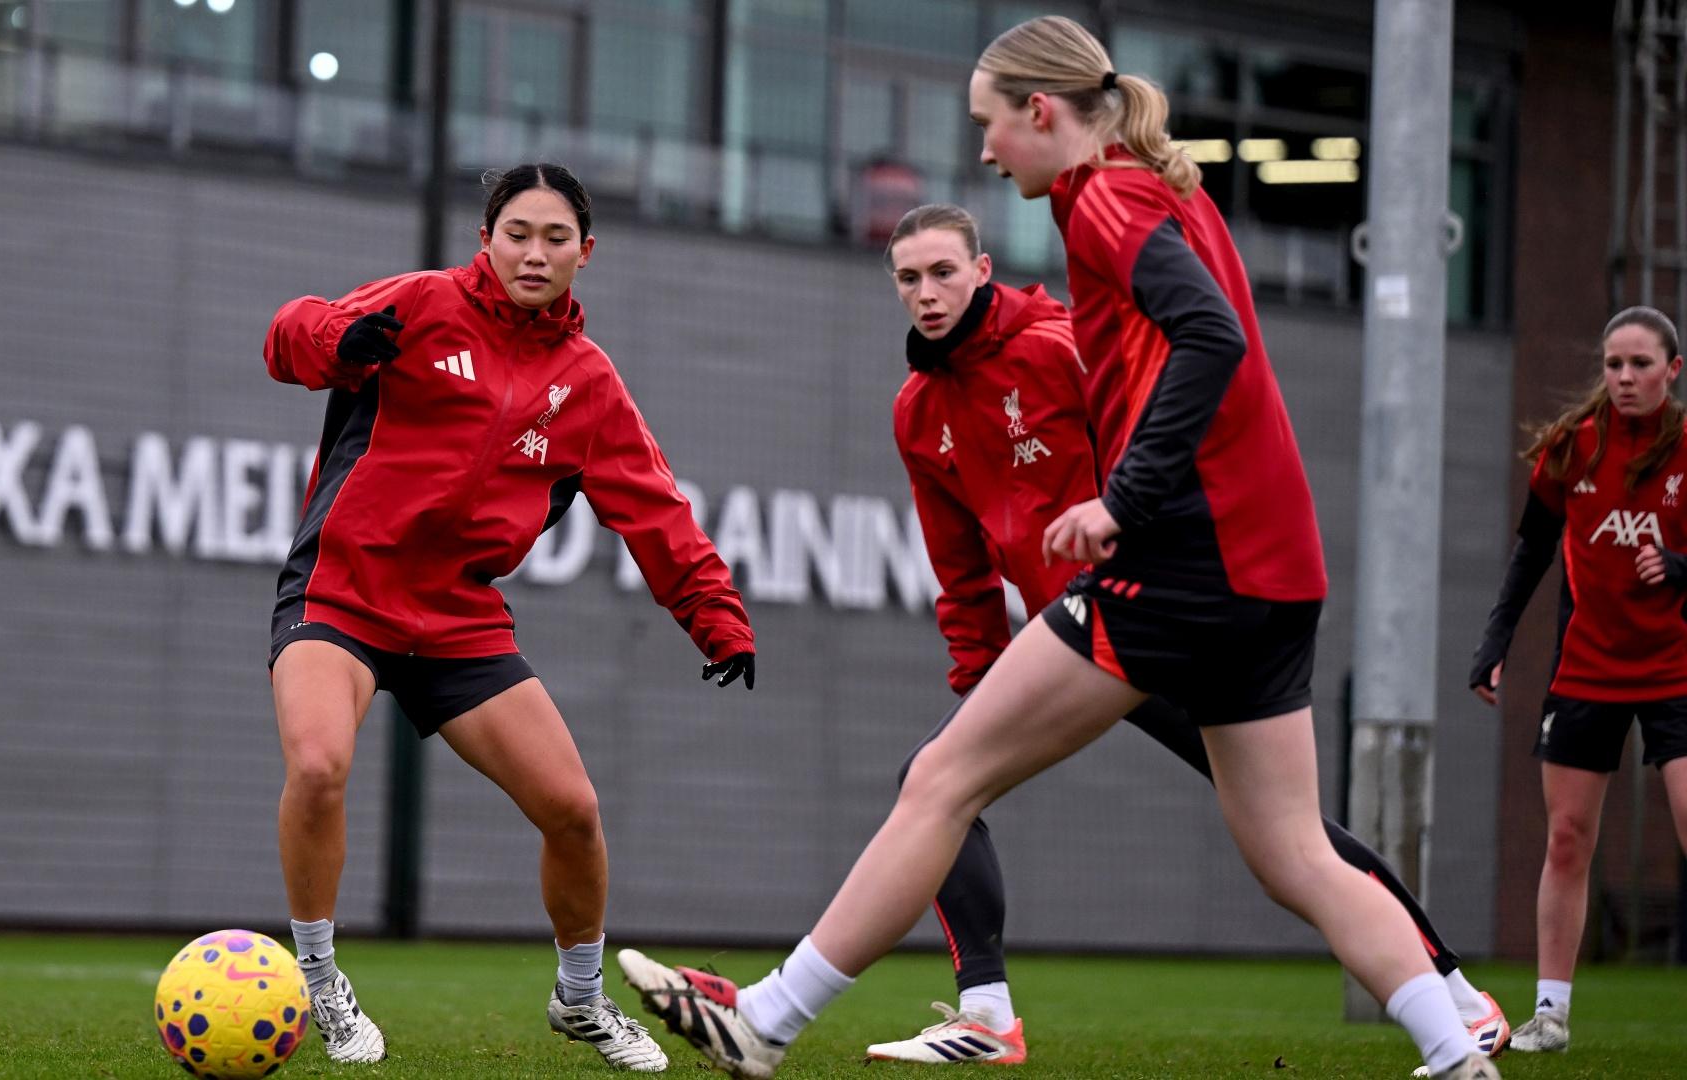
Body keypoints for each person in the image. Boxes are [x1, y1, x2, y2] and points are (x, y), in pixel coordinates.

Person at [616, 18, 1497, 1080]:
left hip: (1180, 563)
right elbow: (1206, 344)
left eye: (990, 125)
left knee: (940, 778)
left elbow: (1210, 336)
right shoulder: (1156, 192)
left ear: (1042, 113)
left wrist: (1121, 502)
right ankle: (1457, 1048)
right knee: (1291, 849)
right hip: (1269, 567)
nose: (985, 153)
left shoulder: (1103, 202)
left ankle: (767, 1021)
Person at [863, 203, 1509, 1067]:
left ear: (984, 272)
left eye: (943, 272)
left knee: (1292, 841)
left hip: (1151, 618)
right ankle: (985, 1015)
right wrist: (981, 677)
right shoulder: (916, 412)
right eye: (909, 278)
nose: (926, 293)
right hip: (1072, 644)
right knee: (937, 781)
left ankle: (1462, 1001)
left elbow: (1161, 450)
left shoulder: (1058, 348)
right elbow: (962, 568)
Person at [261, 162, 756, 1071]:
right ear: (485, 239)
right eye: (517, 233)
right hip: (343, 588)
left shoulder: (588, 382)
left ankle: (580, 1000)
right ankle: (320, 983)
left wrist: (715, 616)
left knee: (572, 810)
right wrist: (337, 339)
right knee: (320, 762)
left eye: (555, 237)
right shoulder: (420, 302)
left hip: (458, 619)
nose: (535, 252)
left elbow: (655, 509)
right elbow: (288, 336)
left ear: (585, 252)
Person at [1468, 304, 1687, 1054]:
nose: (1625, 378)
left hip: (1676, 671)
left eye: (1641, 365)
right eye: (1614, 365)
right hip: (1587, 670)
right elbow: (1530, 554)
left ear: (1673, 372)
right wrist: (1495, 641)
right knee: (1566, 839)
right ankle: (1551, 1016)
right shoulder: (1573, 448)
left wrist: (1682, 568)